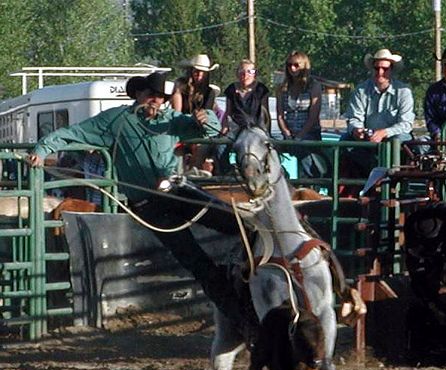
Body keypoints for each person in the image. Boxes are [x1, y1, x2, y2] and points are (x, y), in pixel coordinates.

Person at [27, 72, 250, 328]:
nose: (156, 101)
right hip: (148, 204)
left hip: (176, 189)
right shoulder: (116, 121)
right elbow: (74, 132)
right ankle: (240, 317)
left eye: (161, 97)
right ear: (139, 95)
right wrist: (43, 149)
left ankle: (256, 267)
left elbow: (207, 129)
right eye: (151, 95)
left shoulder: (170, 120)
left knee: (231, 220)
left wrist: (205, 117)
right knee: (195, 260)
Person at [341, 48, 414, 191]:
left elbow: (406, 124)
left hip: (393, 143)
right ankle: (344, 190)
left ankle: (394, 184)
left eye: (385, 69)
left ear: (391, 70)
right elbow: (354, 118)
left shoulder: (404, 92)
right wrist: (357, 130)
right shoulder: (361, 91)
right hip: (368, 143)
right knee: (344, 142)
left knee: (399, 139)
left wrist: (384, 133)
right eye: (377, 68)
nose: (380, 72)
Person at [276, 50, 327, 178]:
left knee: (303, 149)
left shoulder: (313, 86)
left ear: (304, 66)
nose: (292, 68)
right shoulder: (283, 88)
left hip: (309, 133)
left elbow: (313, 116)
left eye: (296, 65)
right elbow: (280, 115)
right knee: (270, 148)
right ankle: (281, 178)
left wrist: (300, 136)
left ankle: (311, 180)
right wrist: (287, 134)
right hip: (289, 134)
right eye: (289, 65)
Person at [171, 54, 225, 174]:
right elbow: (176, 113)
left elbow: (207, 115)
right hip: (182, 128)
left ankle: (193, 175)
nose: (199, 75)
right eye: (196, 71)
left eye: (203, 72)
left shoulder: (210, 92)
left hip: (201, 131)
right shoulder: (180, 87)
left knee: (200, 146)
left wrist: (198, 120)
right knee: (176, 149)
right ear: (191, 71)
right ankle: (180, 176)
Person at [221, 59, 270, 135]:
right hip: (235, 130)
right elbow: (228, 113)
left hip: (257, 130)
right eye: (242, 72)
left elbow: (265, 115)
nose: (245, 75)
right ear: (237, 74)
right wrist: (223, 130)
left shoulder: (261, 90)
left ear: (255, 74)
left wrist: (267, 134)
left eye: (249, 72)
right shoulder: (231, 89)